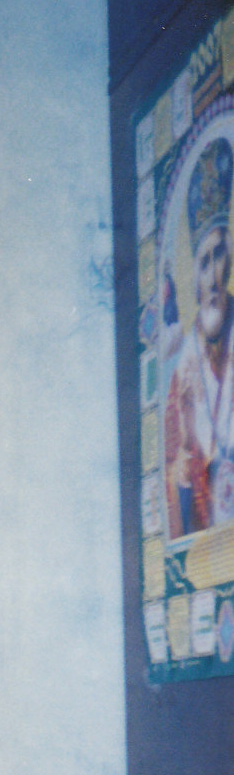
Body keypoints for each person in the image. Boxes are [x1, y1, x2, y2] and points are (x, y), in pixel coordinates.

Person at [164, 135, 234, 536]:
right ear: (193, 278)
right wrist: (181, 477)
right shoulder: (182, 378)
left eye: (219, 255)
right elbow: (174, 485)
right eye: (203, 263)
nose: (212, 277)